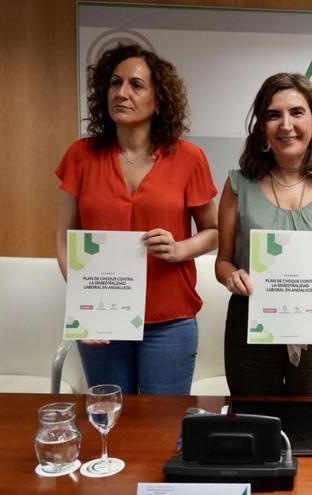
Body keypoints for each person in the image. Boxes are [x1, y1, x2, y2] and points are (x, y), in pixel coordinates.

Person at [55, 44, 219, 395]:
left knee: (163, 429)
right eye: (115, 83)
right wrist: (86, 306)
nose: (122, 93)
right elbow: (64, 241)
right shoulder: (80, 156)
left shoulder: (189, 158)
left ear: (159, 101)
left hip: (170, 321)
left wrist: (179, 249)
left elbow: (214, 232)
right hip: (103, 317)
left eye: (136, 85)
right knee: (112, 424)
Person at [216, 73, 312, 396]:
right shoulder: (238, 185)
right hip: (251, 326)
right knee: (256, 425)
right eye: (273, 115)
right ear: (261, 125)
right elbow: (222, 261)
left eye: (296, 113)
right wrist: (232, 276)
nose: (286, 125)